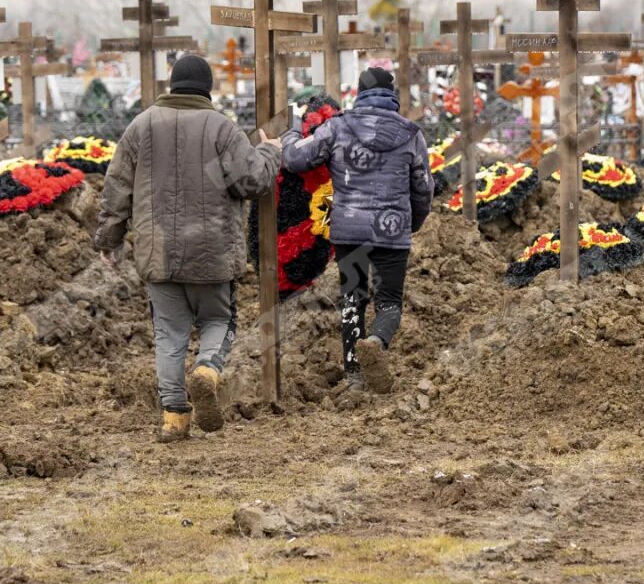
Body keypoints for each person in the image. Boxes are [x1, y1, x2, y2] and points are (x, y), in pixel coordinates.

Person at [95, 55, 281, 443]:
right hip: (211, 252)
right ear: (207, 88)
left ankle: (174, 420)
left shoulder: (140, 126)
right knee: (218, 321)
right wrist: (271, 152)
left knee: (169, 333)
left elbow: (117, 189)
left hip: (158, 252)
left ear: (172, 84)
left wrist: (109, 242)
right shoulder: (221, 127)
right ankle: (208, 370)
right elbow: (251, 181)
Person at [281, 67, 432, 394]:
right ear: (392, 95)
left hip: (349, 230)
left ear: (359, 93)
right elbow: (423, 188)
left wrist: (292, 132)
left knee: (353, 298)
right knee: (389, 301)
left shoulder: (336, 127)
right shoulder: (410, 134)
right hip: (392, 230)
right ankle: (376, 341)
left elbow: (295, 158)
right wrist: (413, 223)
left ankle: (354, 376)